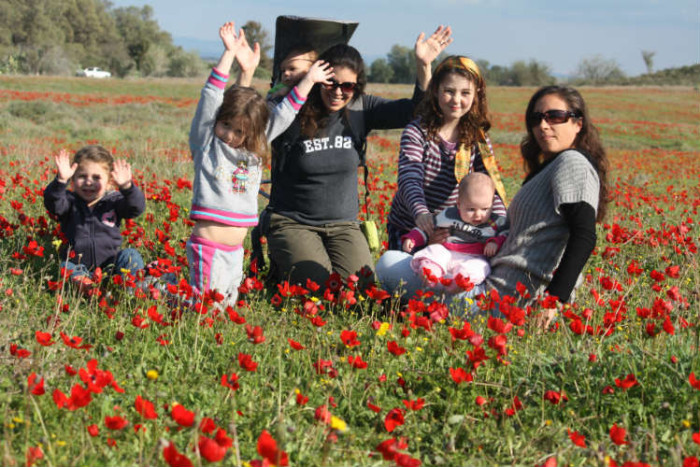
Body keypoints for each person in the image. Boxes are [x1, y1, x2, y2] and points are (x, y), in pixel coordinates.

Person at [377, 85, 609, 327]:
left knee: (388, 263)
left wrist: (553, 300)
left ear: (578, 123)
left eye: (555, 117)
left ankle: (417, 311)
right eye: (536, 118)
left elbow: (584, 235)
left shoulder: (572, 162)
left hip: (496, 300)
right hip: (495, 288)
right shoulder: (552, 167)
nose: (543, 125)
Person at [265, 26, 454, 287]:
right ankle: (279, 266)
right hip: (294, 222)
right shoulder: (292, 110)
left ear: (357, 86)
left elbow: (415, 110)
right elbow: (263, 120)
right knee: (318, 286)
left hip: (343, 224)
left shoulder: (361, 108)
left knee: (360, 287)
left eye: (348, 86)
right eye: (330, 83)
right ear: (318, 77)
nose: (338, 91)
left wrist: (424, 66)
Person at [187, 21, 332, 307]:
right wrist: (228, 53)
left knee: (225, 307)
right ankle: (160, 293)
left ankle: (170, 293)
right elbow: (212, 97)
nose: (230, 135)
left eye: (238, 131)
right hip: (208, 247)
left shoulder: (254, 148)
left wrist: (309, 79)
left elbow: (286, 112)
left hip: (234, 250)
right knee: (206, 311)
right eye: (224, 125)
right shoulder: (207, 143)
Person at [385, 55, 507, 252]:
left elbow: (490, 185)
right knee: (403, 275)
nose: (456, 100)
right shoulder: (417, 132)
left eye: (465, 92)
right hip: (411, 225)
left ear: (476, 95)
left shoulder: (477, 138)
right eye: (449, 91)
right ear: (435, 91)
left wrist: (502, 224)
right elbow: (410, 178)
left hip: (453, 229)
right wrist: (422, 215)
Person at [43, 145, 146, 290]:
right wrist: (60, 181)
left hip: (112, 266)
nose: (89, 182)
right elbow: (52, 204)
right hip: (79, 266)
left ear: (110, 181)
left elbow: (136, 208)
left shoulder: (114, 201)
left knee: (131, 254)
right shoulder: (68, 201)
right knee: (66, 266)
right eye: (82, 176)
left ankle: (133, 288)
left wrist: (127, 187)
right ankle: (87, 288)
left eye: (96, 177)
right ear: (72, 178)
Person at [404, 173, 507, 290]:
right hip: (447, 252)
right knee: (435, 250)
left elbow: (505, 234)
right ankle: (430, 273)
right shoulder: (449, 214)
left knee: (482, 266)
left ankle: (461, 280)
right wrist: (413, 238)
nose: (478, 215)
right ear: (459, 204)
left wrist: (495, 242)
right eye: (471, 209)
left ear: (492, 205)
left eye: (485, 209)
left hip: (475, 257)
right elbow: (429, 226)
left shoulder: (495, 221)